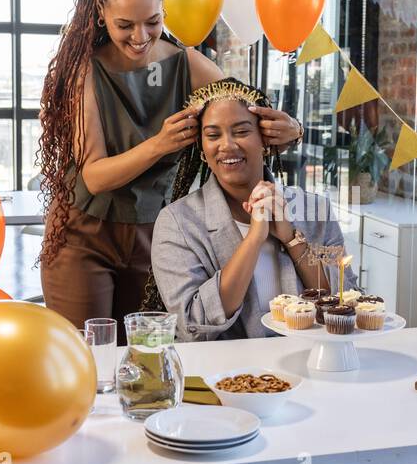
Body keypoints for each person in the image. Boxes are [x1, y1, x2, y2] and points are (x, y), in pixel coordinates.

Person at [37, 0, 304, 334]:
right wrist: (159, 144)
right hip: (84, 238)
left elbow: (244, 117)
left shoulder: (188, 65)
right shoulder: (85, 73)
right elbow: (94, 177)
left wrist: (291, 129)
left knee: (146, 354)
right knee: (85, 357)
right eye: (125, 25)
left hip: (154, 236)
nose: (140, 36)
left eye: (152, 21)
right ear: (100, 14)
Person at [149, 79, 357, 341]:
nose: (227, 145)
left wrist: (292, 239)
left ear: (265, 140)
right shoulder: (178, 222)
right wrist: (254, 238)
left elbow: (345, 303)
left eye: (241, 131)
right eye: (213, 135)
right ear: (202, 148)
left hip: (308, 359)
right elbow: (191, 325)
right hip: (224, 366)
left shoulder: (315, 210)